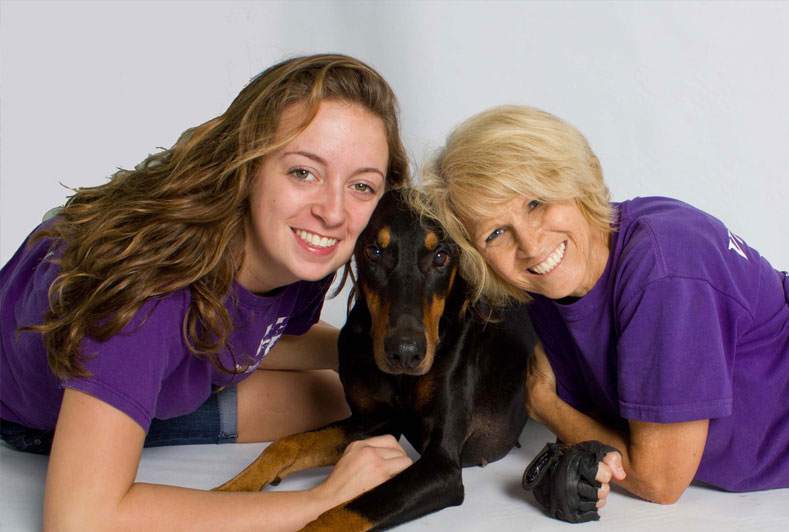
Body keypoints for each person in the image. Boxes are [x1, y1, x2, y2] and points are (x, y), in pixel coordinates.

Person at [0, 53, 414, 530]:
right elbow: (78, 520)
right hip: (33, 415)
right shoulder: (145, 298)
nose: (334, 212)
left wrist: (365, 352)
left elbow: (264, 331)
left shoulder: (301, 248)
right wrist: (322, 500)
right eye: (303, 172)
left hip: (160, 355)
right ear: (248, 164)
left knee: (357, 397)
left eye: (362, 185)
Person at [415, 104, 789, 505]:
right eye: (496, 233)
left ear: (576, 178)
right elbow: (604, 437)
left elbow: (659, 480)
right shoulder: (550, 287)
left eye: (536, 202)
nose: (530, 244)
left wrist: (544, 406)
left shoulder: (663, 270)